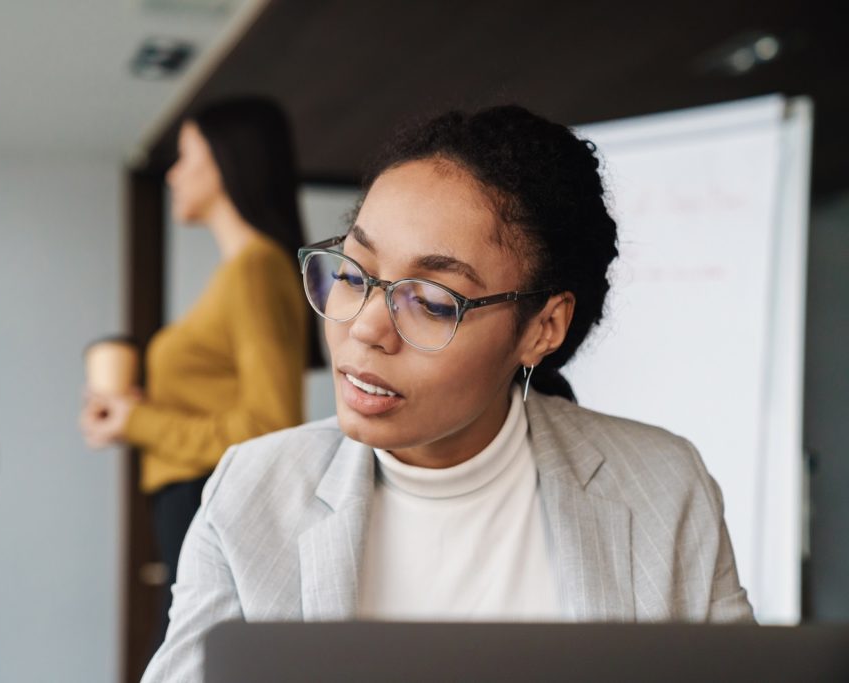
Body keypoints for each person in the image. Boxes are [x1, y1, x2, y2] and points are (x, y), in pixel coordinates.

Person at [140, 104, 755, 682]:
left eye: (433, 302)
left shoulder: (662, 485)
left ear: (544, 327)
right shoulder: (253, 490)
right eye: (354, 274)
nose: (365, 328)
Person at [79, 97, 322, 646]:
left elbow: (268, 425)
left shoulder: (256, 268)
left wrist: (136, 422)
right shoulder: (246, 270)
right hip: (194, 498)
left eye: (185, 156)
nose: (172, 173)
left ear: (223, 160)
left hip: (207, 496)